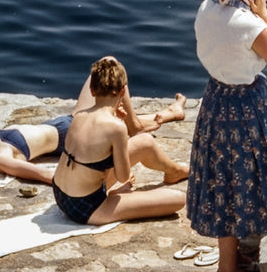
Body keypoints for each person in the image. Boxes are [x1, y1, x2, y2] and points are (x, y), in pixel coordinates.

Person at [187, 0, 267, 272]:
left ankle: (231, 260)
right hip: (246, 107)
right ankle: (228, 271)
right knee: (240, 181)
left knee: (223, 181)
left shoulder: (206, 9)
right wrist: (264, 13)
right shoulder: (250, 24)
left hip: (216, 100)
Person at [0, 64, 187, 191]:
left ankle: (158, 117)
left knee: (107, 66)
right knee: (111, 70)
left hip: (62, 123)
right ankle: (152, 120)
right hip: (69, 130)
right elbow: (47, 177)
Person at [52, 56, 187, 225]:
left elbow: (92, 150)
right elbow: (123, 176)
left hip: (60, 194)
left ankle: (174, 171)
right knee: (178, 199)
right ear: (123, 91)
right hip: (86, 207)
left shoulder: (79, 116)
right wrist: (120, 128)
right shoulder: (116, 127)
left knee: (144, 141)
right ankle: (115, 197)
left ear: (92, 90)